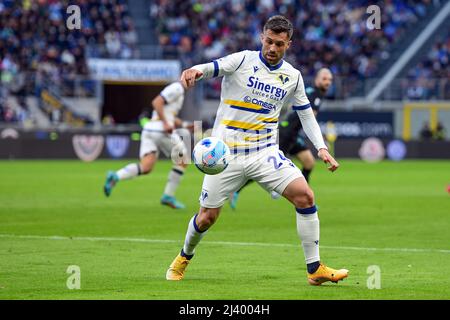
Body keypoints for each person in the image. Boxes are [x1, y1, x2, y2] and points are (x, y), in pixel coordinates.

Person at [166, 15, 348, 285]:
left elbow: (306, 114)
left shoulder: (293, 77)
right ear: (262, 37)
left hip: (265, 153)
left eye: (280, 44)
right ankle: (183, 257)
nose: (273, 48)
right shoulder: (242, 60)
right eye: (269, 41)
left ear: (289, 44)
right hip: (226, 155)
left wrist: (321, 148)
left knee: (305, 196)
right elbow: (213, 67)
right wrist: (196, 70)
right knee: (206, 218)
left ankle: (315, 269)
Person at [229, 68, 333, 209]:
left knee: (309, 162)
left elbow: (292, 107)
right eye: (325, 79)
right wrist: (320, 140)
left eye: (330, 80)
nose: (327, 82)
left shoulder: (311, 92)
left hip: (293, 133)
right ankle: (237, 189)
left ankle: (306, 197)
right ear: (317, 79)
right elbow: (310, 119)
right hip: (287, 133)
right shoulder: (315, 95)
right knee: (265, 166)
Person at [103, 81, 191, 209]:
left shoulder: (179, 92)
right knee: (183, 159)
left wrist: (184, 125)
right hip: (160, 130)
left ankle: (116, 176)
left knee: (146, 167)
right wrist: (166, 123)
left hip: (150, 130)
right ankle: (168, 195)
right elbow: (157, 102)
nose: (194, 81)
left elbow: (168, 114)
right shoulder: (177, 87)